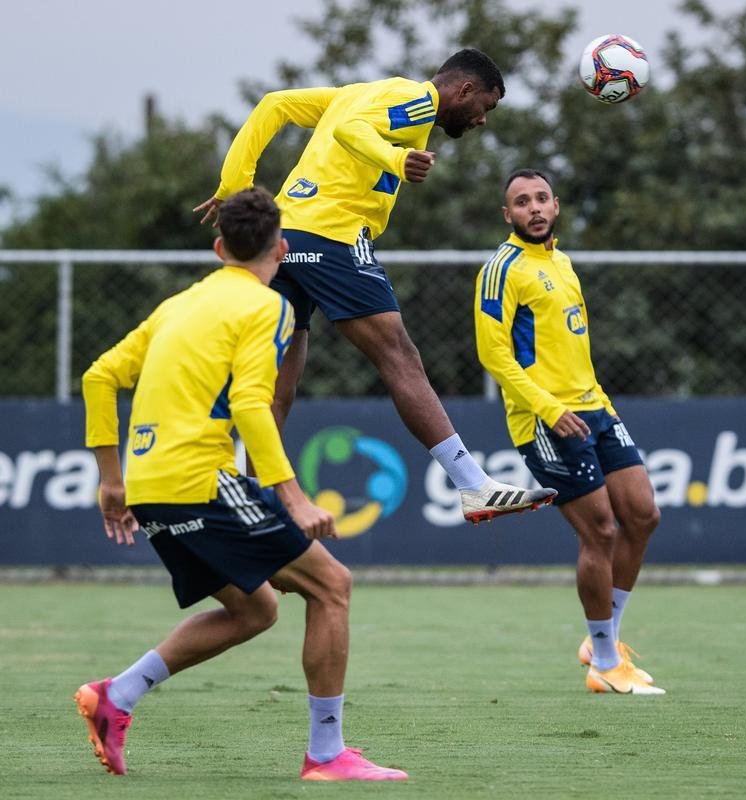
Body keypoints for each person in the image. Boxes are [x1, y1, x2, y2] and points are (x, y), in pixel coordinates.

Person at [74, 187, 408, 780]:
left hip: (150, 483)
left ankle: (116, 696)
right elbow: (254, 402)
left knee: (255, 608)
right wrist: (293, 496)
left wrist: (111, 480)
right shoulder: (269, 307)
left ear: (219, 247)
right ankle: (327, 755)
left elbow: (99, 376)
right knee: (332, 585)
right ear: (281, 249)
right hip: (200, 478)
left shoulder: (179, 304)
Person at [194, 49, 556, 523]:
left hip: (281, 239)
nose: (482, 120)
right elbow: (350, 132)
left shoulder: (359, 94)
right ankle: (473, 484)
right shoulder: (417, 101)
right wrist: (397, 158)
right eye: (484, 106)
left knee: (278, 385)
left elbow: (274, 104)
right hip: (332, 236)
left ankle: (250, 512)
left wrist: (234, 186)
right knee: (398, 355)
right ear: (464, 90)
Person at [474, 169, 664, 695]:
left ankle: (604, 642)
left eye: (540, 199)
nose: (532, 208)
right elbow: (493, 353)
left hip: (594, 408)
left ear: (555, 206)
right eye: (520, 202)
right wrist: (547, 407)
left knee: (643, 516)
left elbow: (572, 347)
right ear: (507, 214)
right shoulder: (501, 269)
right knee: (599, 531)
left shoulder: (561, 262)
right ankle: (604, 661)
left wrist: (599, 401)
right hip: (542, 419)